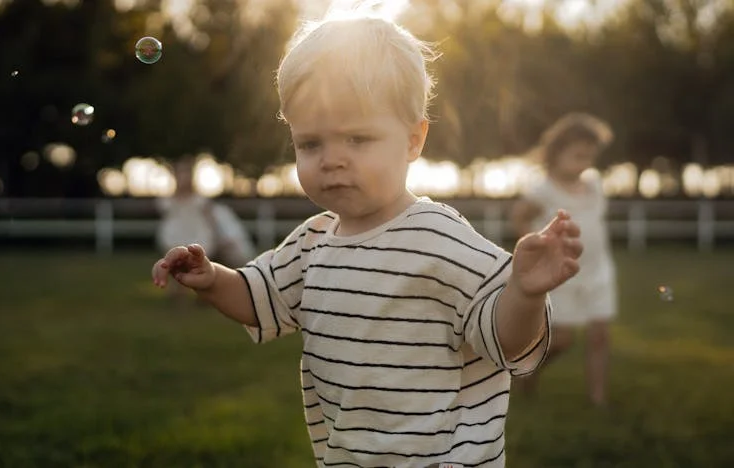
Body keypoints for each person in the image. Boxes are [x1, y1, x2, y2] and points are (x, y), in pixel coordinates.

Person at [152, 13, 583, 467]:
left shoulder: (440, 239)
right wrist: (213, 279)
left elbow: (506, 341)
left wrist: (524, 293)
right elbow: (260, 298)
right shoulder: (312, 243)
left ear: (413, 140)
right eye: (310, 144)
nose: (332, 160)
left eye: (357, 139)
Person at [510, 112, 616, 407]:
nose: (585, 163)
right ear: (556, 153)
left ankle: (598, 399)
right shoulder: (542, 191)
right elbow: (519, 217)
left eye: (589, 157)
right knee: (561, 340)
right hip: (562, 274)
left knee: (600, 336)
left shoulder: (594, 184)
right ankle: (527, 373)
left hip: (598, 271)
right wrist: (539, 247)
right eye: (578, 156)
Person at [156, 156, 256, 300]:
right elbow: (167, 218)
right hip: (176, 235)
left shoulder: (200, 200)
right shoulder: (169, 201)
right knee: (176, 264)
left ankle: (202, 294)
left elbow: (211, 220)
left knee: (197, 265)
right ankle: (177, 295)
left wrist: (218, 236)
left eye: (186, 174)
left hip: (197, 235)